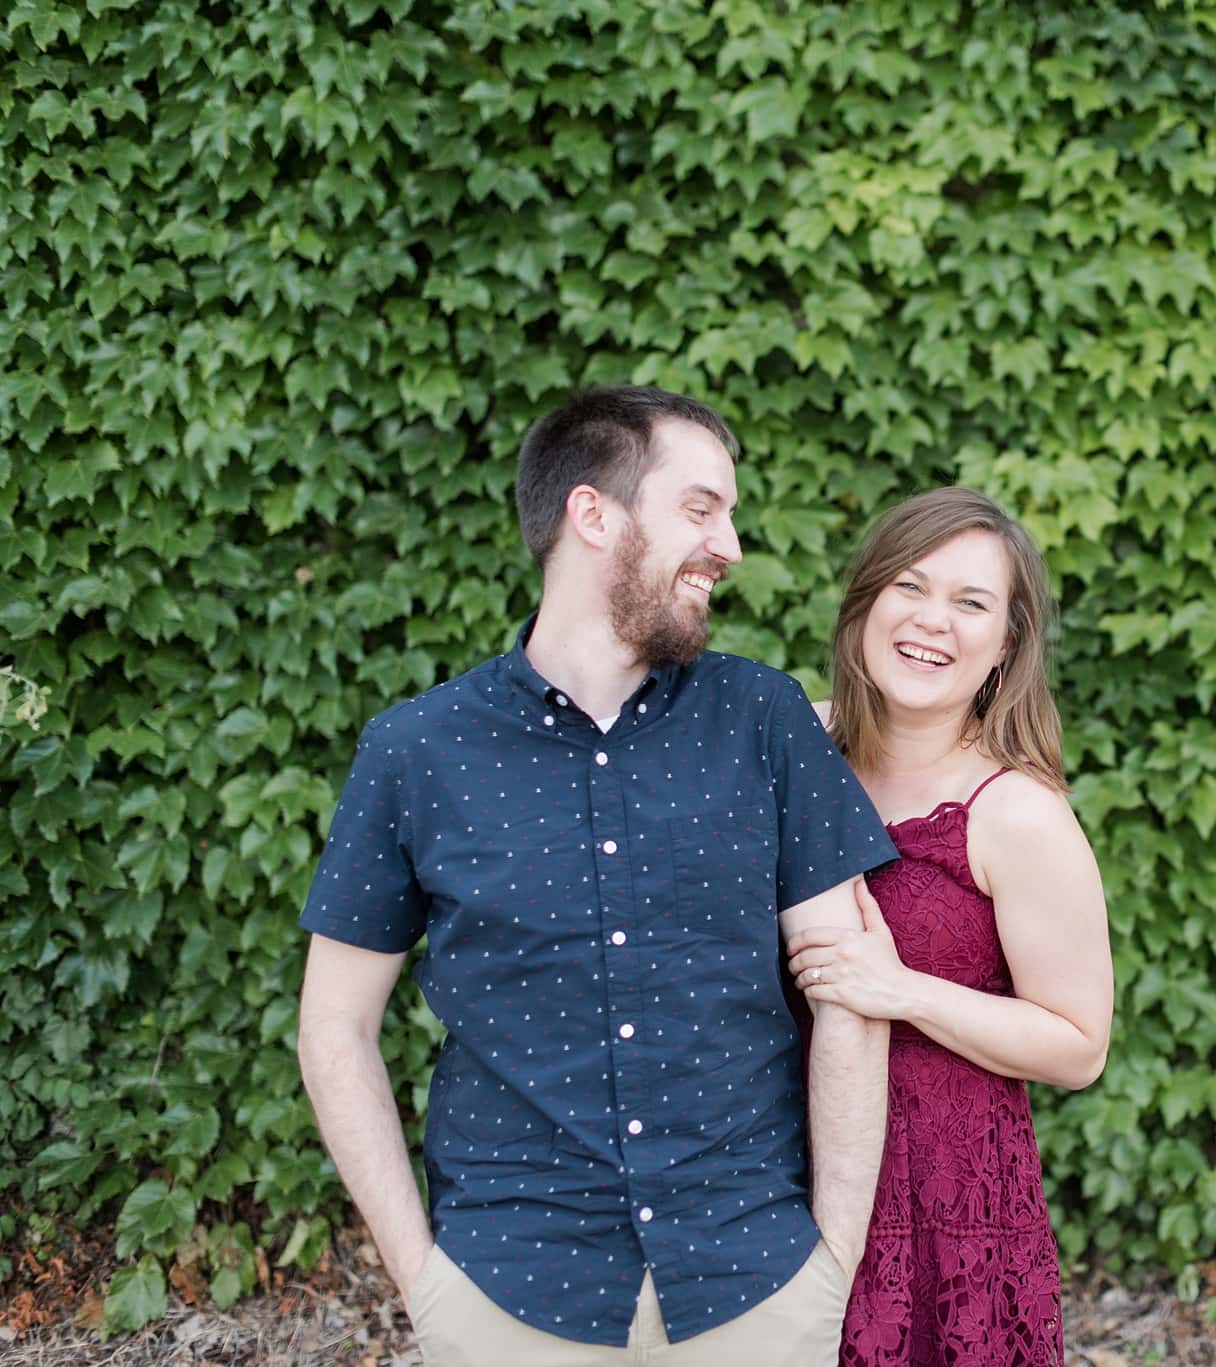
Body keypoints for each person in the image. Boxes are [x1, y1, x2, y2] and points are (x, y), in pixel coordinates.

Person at [295, 386, 895, 1366]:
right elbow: (334, 1024)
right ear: (591, 513)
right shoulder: (416, 751)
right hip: (507, 1294)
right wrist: (422, 1281)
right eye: (701, 507)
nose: (730, 544)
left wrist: (830, 1263)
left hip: (756, 1282)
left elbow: (850, 989)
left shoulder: (763, 717)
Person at [785, 487, 1113, 1366]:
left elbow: (1079, 1045)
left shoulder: (1015, 813)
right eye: (909, 585)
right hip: (777, 1174)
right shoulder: (792, 749)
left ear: (1006, 643)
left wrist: (902, 990)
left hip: (945, 1209)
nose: (932, 621)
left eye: (971, 603)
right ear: (865, 601)